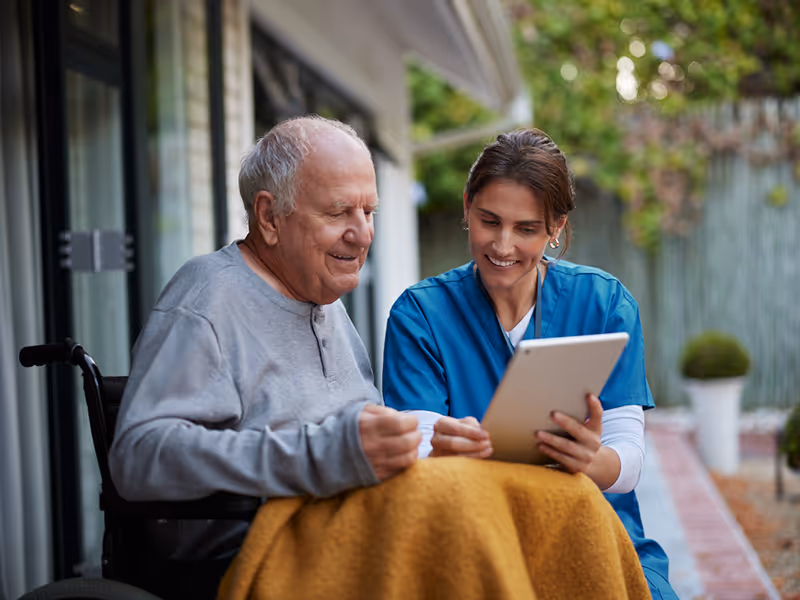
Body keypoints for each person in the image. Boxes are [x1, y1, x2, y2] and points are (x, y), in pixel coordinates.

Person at [108, 115, 420, 597]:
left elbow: (349, 437)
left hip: (346, 531)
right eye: (339, 212)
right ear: (270, 218)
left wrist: (423, 444)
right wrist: (320, 456)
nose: (363, 234)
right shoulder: (207, 298)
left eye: (369, 212)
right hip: (255, 559)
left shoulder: (321, 296)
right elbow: (138, 455)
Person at [382, 128, 678, 599]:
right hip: (470, 534)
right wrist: (438, 450)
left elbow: (629, 462)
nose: (502, 246)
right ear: (466, 207)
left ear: (555, 229)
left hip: (591, 528)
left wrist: (593, 460)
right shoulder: (420, 315)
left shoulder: (603, 304)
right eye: (489, 221)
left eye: (526, 229)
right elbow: (413, 454)